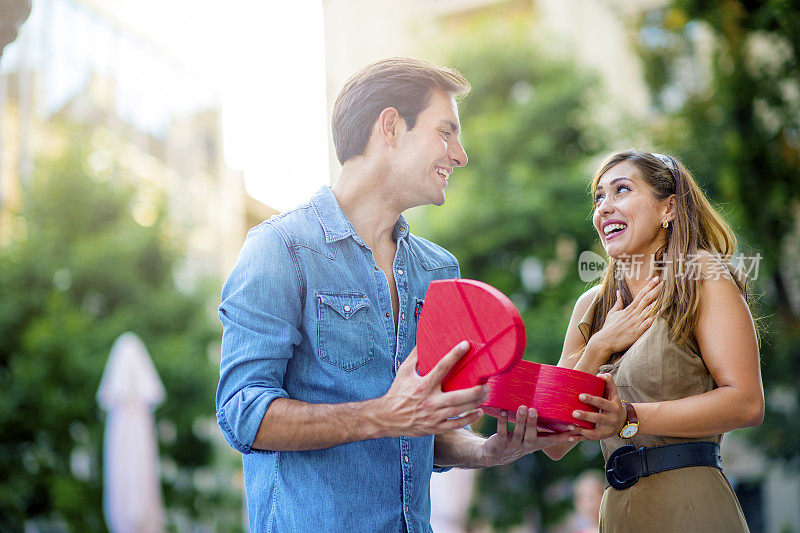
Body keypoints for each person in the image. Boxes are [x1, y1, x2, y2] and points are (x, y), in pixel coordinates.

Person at [215, 58, 574, 532]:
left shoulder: (439, 270)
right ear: (390, 126)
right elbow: (243, 413)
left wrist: (486, 451)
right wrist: (381, 416)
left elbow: (429, 427)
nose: (460, 155)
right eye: (446, 132)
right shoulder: (280, 250)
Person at [544, 150, 764, 532]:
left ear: (670, 209)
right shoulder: (589, 308)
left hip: (690, 506)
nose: (604, 208)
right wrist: (598, 345)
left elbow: (746, 403)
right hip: (617, 513)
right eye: (598, 198)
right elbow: (553, 443)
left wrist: (628, 416)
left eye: (621, 190)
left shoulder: (702, 278)